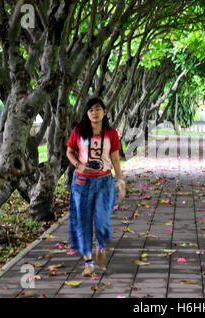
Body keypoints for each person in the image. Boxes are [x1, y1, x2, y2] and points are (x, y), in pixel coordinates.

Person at [66, 97, 126, 277]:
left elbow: (115, 158)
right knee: (82, 221)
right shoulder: (78, 131)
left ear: (104, 112)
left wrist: (120, 180)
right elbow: (69, 151)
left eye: (98, 109)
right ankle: (88, 262)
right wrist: (78, 165)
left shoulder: (112, 133)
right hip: (81, 183)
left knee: (101, 220)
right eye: (91, 110)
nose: (94, 112)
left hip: (104, 182)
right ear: (87, 113)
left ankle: (100, 246)